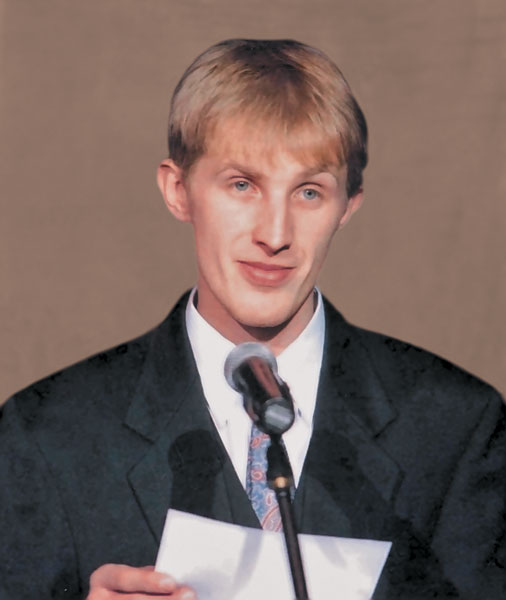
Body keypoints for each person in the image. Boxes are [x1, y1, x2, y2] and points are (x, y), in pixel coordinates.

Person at [1, 39, 504, 600]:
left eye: (309, 192)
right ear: (178, 191)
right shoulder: (47, 434)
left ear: (347, 206)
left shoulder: (456, 426)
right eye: (242, 185)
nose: (275, 234)